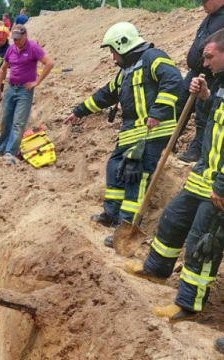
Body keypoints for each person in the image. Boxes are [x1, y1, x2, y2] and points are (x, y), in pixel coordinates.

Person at [123, 28, 224, 322]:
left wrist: (221, 185)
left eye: (209, 56)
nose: (205, 63)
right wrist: (205, 96)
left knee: (203, 243)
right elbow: (212, 117)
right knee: (172, 218)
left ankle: (188, 303)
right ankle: (155, 268)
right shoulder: (220, 82)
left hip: (219, 184)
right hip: (205, 174)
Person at [64, 22, 183, 247]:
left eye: (113, 51)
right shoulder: (126, 71)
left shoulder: (153, 57)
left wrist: (157, 112)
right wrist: (78, 112)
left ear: (123, 45)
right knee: (114, 167)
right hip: (132, 133)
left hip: (152, 132)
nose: (112, 57)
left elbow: (173, 80)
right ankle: (111, 214)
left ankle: (125, 229)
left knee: (135, 177)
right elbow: (106, 95)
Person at [0, 25, 53, 159]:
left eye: (19, 39)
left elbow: (49, 63)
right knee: (6, 120)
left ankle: (10, 153)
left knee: (18, 123)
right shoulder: (11, 49)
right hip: (10, 88)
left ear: (25, 35)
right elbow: (3, 69)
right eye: (14, 39)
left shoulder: (32, 48)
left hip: (25, 90)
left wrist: (37, 82)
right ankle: (2, 148)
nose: (17, 41)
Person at [176, 0, 224, 163]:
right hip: (197, 70)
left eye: (204, 1)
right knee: (179, 105)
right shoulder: (211, 16)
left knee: (204, 111)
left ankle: (197, 150)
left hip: (212, 74)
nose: (201, 4)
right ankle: (168, 141)